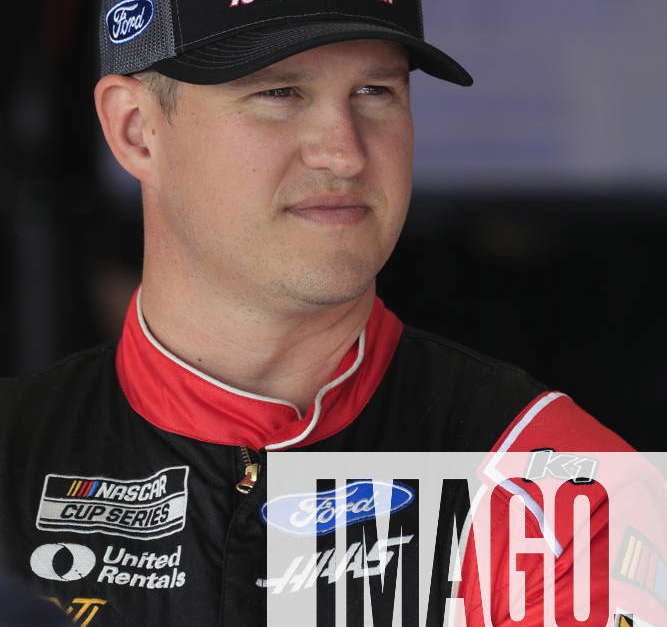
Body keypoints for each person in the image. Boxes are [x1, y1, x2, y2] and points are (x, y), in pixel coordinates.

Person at [0, 0, 643, 625]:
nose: (344, 153)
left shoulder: (556, 487)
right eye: (280, 93)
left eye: (374, 91)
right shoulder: (14, 456)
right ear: (136, 129)